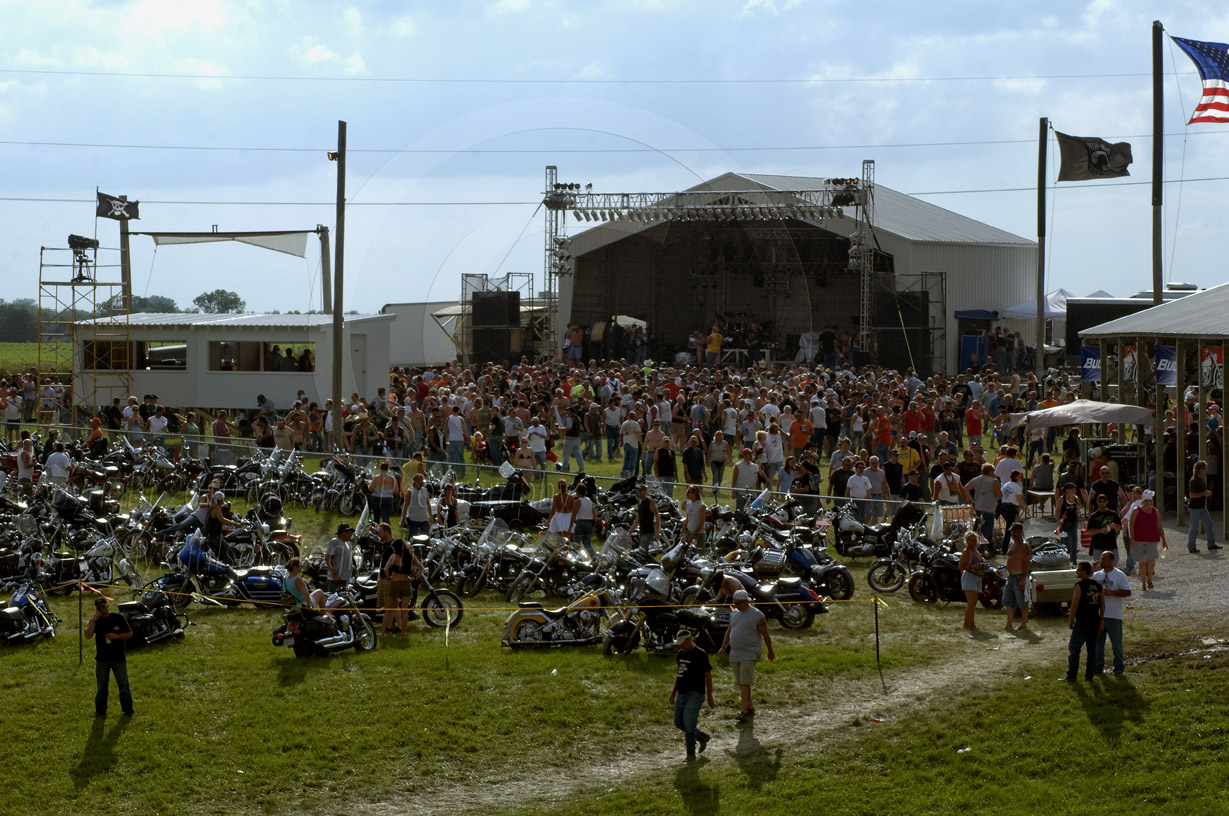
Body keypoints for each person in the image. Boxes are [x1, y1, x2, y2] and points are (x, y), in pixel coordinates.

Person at [716, 589, 774, 723]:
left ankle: (743, 711)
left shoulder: (757, 615)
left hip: (750, 652)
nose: (736, 606)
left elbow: (765, 634)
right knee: (741, 682)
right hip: (735, 652)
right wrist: (723, 647)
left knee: (745, 682)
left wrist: (770, 650)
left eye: (739, 603)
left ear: (746, 601)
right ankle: (750, 706)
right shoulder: (734, 614)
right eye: (735, 603)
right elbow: (729, 631)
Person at [669, 629, 714, 762]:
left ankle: (690, 755)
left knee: (689, 724)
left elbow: (708, 676)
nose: (680, 645)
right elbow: (679, 675)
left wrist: (710, 696)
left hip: (695, 694)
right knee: (678, 722)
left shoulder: (700, 654)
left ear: (689, 640)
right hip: (682, 694)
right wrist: (673, 694)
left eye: (682, 642)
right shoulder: (680, 655)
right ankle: (702, 737)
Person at [85, 596, 134, 717]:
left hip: (118, 658)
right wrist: (94, 620)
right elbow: (87, 635)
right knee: (102, 687)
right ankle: (101, 711)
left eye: (103, 606)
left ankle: (128, 710)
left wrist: (117, 636)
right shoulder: (96, 621)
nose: (102, 610)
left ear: (107, 606)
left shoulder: (118, 618)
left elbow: (129, 633)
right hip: (102, 659)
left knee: (123, 685)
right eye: (98, 608)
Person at [1092, 549, 1131, 677]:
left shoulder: (1119, 575)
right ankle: (1098, 668)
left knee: (1116, 644)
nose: (1101, 561)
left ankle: (1119, 668)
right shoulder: (1097, 575)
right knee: (1098, 644)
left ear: (1111, 560)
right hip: (1099, 615)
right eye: (1101, 559)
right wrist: (1091, 571)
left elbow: (1127, 592)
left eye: (1104, 559)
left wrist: (1111, 593)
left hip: (1114, 615)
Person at [1065, 561, 1104, 682]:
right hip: (1094, 621)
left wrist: (1071, 619)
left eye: (1079, 569)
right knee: (1091, 650)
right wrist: (1101, 619)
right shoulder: (1098, 585)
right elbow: (1102, 604)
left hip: (1082, 621)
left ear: (1085, 571)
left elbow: (1075, 603)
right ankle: (1089, 676)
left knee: (1074, 648)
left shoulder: (1079, 585)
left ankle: (1072, 675)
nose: (1077, 571)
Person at [379, 523, 422, 635]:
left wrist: (389, 578)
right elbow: (421, 569)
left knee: (388, 610)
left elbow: (386, 569)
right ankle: (402, 633)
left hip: (395, 583)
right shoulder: (409, 556)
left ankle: (383, 632)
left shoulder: (394, 557)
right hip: (406, 583)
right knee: (404, 611)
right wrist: (414, 577)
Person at [1127, 490, 1166, 591]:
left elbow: (1160, 527)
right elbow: (1131, 525)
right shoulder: (1136, 511)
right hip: (1139, 539)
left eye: (1150, 501)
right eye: (1146, 501)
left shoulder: (1155, 512)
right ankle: (1143, 583)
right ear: (1143, 501)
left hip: (1152, 539)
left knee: (1151, 559)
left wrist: (1164, 541)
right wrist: (1132, 538)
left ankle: (1149, 579)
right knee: (1142, 562)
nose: (1148, 503)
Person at [1187, 460, 1221, 553]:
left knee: (1209, 524)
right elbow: (1192, 495)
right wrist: (1204, 493)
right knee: (1194, 527)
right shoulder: (1194, 480)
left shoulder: (1200, 479)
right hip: (1195, 507)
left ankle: (1211, 544)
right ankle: (1191, 546)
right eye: (1205, 468)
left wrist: (1204, 493)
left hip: (1201, 506)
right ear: (1200, 469)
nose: (1206, 470)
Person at [1002, 522, 1031, 632]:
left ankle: (1023, 624)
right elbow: (1010, 559)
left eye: (1014, 531)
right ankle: (1009, 623)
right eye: (1011, 532)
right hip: (1011, 576)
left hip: (1020, 575)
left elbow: (1027, 563)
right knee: (1009, 600)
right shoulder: (1011, 544)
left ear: (1020, 531)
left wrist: (1023, 579)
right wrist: (1003, 569)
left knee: (1022, 602)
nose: (1012, 534)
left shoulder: (1024, 545)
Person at [958, 531, 986, 631]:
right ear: (967, 541)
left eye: (975, 540)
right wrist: (972, 566)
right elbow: (961, 566)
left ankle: (967, 624)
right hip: (970, 577)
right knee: (971, 603)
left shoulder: (976, 551)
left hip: (978, 577)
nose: (973, 542)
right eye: (971, 540)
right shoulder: (966, 551)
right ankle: (971, 624)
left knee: (973, 603)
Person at [1086, 494, 1122, 566]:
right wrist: (1099, 531)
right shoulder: (1093, 516)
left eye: (1103, 501)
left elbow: (1120, 527)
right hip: (1098, 545)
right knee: (1098, 564)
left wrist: (1114, 526)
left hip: (1111, 544)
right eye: (1100, 501)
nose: (1102, 503)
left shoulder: (1113, 514)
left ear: (1106, 502)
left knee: (1114, 561)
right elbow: (1089, 531)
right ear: (1097, 502)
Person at [1055, 483, 1082, 565]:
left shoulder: (1076, 498)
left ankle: (1073, 558)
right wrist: (1057, 520)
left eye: (1074, 489)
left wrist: (1080, 516)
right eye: (1071, 489)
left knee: (1074, 539)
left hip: (1073, 520)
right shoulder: (1062, 499)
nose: (1073, 491)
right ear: (1066, 490)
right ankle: (1064, 557)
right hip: (1064, 522)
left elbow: (1077, 509)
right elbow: (1058, 509)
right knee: (1064, 540)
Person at [628, 482, 660, 551]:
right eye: (637, 490)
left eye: (640, 490)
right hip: (642, 531)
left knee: (642, 550)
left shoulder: (650, 502)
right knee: (642, 550)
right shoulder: (640, 503)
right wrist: (630, 530)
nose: (638, 492)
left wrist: (657, 531)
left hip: (648, 531)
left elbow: (657, 515)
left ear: (645, 492)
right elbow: (638, 518)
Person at [324, 523, 355, 592]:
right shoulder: (335, 542)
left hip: (344, 579)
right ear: (343, 532)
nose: (351, 534)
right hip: (336, 580)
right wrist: (334, 572)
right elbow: (328, 557)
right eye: (349, 532)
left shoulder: (347, 544)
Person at [400, 472, 432, 537]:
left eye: (422, 480)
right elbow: (405, 506)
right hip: (413, 519)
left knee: (426, 536)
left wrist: (430, 516)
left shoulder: (425, 490)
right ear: (415, 481)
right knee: (413, 537)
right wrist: (403, 518)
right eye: (421, 480)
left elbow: (428, 504)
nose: (422, 482)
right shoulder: (410, 491)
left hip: (424, 518)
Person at [572, 484, 597, 559]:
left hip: (580, 524)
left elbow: (573, 515)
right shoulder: (589, 500)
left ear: (578, 491)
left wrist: (570, 526)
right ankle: (594, 558)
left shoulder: (578, 502)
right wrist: (593, 525)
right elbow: (594, 514)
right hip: (589, 523)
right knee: (587, 544)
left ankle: (578, 559)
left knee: (576, 544)